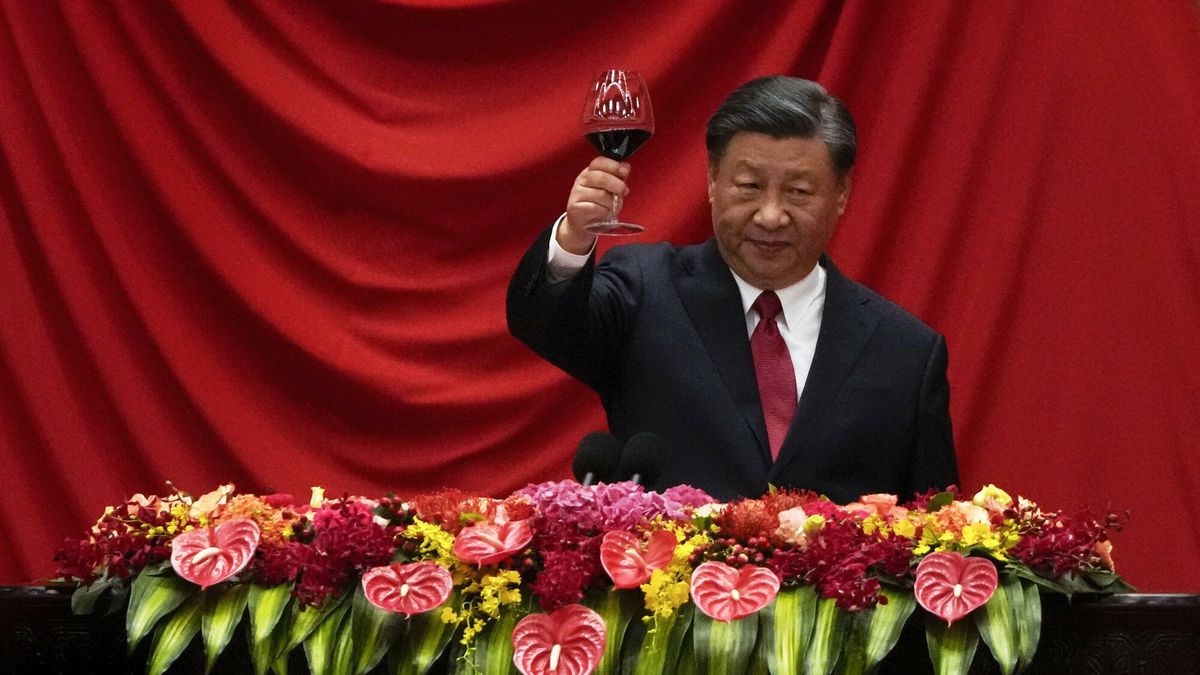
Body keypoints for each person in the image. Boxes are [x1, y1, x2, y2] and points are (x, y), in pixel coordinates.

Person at [507, 76, 958, 504]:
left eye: (799, 192)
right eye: (749, 187)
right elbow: (547, 322)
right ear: (712, 181)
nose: (770, 215)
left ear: (841, 194)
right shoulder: (646, 290)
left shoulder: (907, 353)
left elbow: (939, 531)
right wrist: (575, 238)